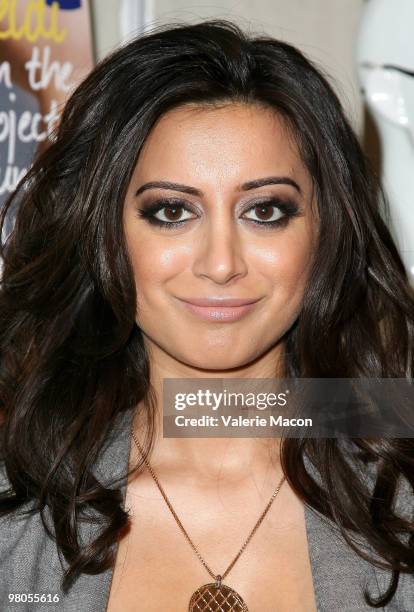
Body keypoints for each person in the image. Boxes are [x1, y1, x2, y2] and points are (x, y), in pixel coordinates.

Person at [0, 19, 413, 612]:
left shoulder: (399, 474)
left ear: (327, 232)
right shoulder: (19, 513)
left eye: (266, 210)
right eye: (171, 211)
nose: (221, 264)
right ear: (102, 233)